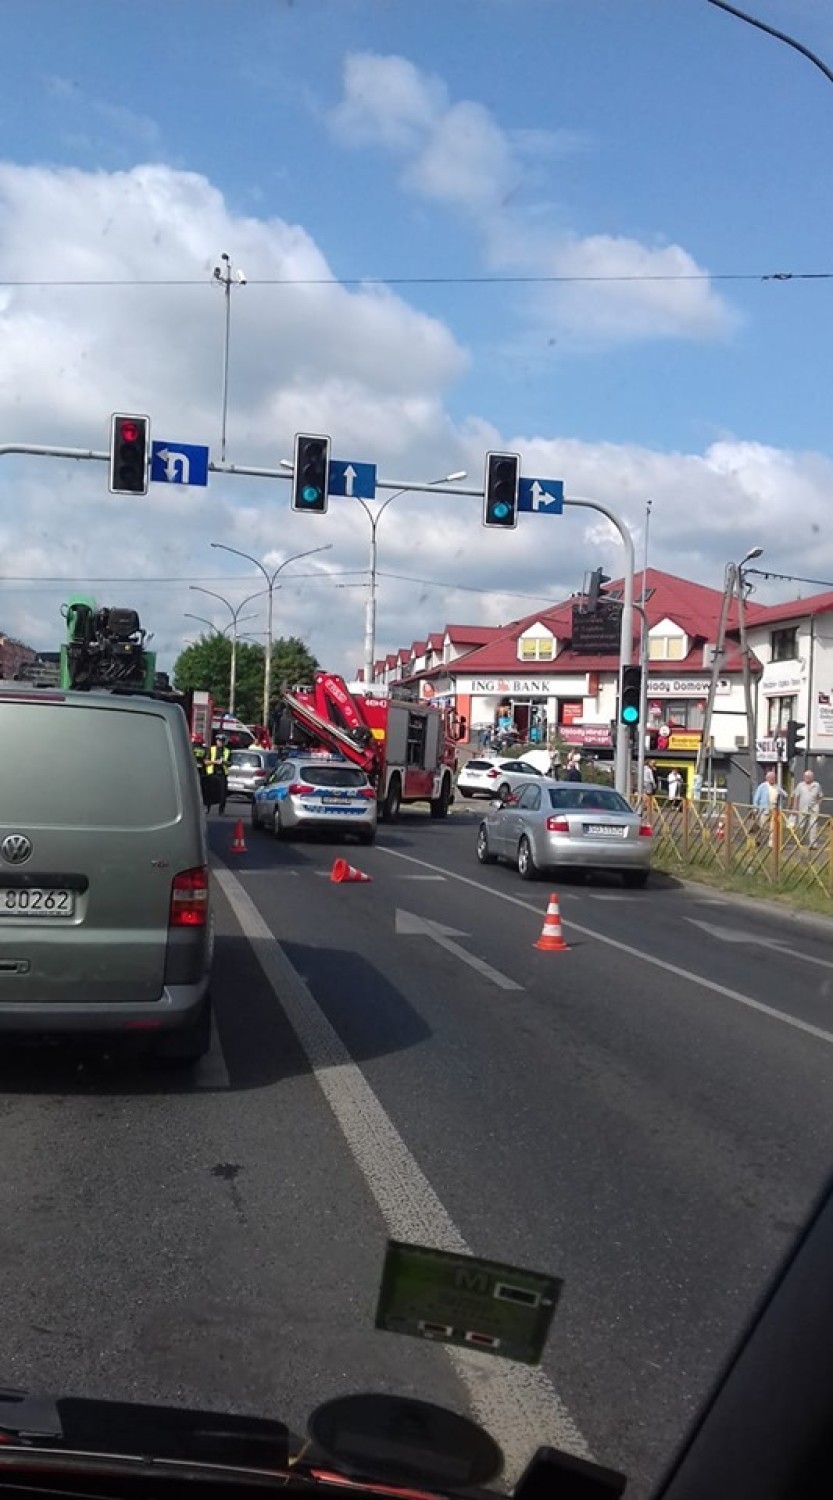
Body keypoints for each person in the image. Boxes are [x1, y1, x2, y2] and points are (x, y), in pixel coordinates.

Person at [753, 769, 786, 846]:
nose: (772, 779)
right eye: (770, 778)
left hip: (774, 810)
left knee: (773, 827)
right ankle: (758, 840)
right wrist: (755, 809)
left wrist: (781, 793)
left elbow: (785, 794)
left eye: (773, 778)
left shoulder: (776, 787)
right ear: (767, 778)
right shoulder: (762, 786)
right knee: (762, 826)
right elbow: (756, 798)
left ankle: (771, 843)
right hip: (764, 810)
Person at [791, 768, 822, 847]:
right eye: (805, 776)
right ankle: (800, 841)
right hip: (802, 808)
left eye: (809, 776)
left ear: (812, 777)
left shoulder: (817, 785)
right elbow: (796, 796)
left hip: (814, 809)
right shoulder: (800, 785)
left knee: (813, 825)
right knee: (801, 826)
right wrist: (794, 807)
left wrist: (817, 804)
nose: (807, 777)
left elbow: (820, 796)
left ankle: (813, 844)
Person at [204, 734, 231, 814]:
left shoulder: (227, 751)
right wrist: (215, 762)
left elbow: (230, 763)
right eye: (218, 741)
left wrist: (224, 762)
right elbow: (206, 761)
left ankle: (221, 810)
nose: (220, 743)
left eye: (221, 741)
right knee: (209, 792)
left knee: (223, 793)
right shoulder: (211, 749)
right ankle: (207, 808)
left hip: (222, 774)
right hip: (212, 773)